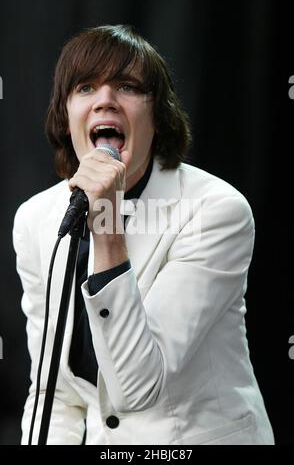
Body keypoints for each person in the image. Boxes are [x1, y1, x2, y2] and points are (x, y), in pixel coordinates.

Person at [13, 24, 274, 445]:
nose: (105, 101)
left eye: (127, 87)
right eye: (85, 87)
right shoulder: (36, 219)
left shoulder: (215, 211)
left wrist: (108, 228)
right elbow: (55, 392)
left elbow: (136, 387)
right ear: (66, 115)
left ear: (158, 115)